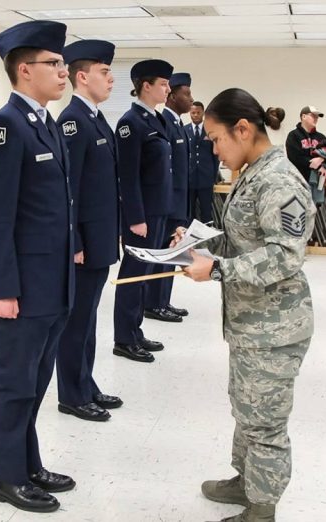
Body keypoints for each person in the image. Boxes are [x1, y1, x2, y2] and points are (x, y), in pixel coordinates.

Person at [180, 88, 313, 522]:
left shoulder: (278, 180)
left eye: (217, 139)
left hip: (274, 325)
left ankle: (262, 507)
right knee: (247, 406)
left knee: (266, 420)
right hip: (250, 318)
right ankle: (246, 479)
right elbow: (244, 235)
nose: (215, 150)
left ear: (243, 129)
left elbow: (284, 255)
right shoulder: (254, 171)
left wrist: (216, 269)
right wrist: (197, 242)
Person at [0, 20, 76, 513]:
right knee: (15, 380)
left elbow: (55, 204)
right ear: (24, 70)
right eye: (54, 64)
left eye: (62, 64)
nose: (64, 72)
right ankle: (6, 475)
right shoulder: (5, 126)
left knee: (37, 379)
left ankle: (28, 461)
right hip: (22, 285)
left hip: (52, 280)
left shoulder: (44, 122)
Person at [53, 39, 123, 423]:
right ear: (83, 77)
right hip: (83, 243)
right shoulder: (73, 121)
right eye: (104, 72)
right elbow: (70, 188)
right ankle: (71, 394)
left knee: (90, 317)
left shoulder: (96, 117)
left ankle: (87, 383)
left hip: (99, 237)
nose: (111, 79)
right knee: (77, 320)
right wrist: (75, 240)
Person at [111, 59, 174, 363]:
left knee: (145, 274)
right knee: (133, 276)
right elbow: (127, 175)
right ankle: (123, 338)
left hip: (158, 211)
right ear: (145, 86)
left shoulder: (157, 119)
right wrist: (135, 218)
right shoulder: (130, 123)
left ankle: (135, 332)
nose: (168, 89)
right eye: (163, 83)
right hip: (142, 216)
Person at [145, 71, 194, 324]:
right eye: (186, 94)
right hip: (168, 202)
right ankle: (154, 303)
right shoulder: (163, 121)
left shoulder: (178, 125)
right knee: (164, 254)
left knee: (173, 254)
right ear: (172, 96)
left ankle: (163, 301)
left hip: (179, 202)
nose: (191, 99)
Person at [186, 101, 220, 224]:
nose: (195, 115)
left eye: (198, 113)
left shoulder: (209, 130)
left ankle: (209, 239)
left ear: (203, 113)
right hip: (189, 179)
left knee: (206, 211)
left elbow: (215, 156)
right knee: (189, 212)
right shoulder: (184, 130)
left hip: (206, 178)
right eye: (193, 112)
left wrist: (213, 176)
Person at [284, 105, 326, 186]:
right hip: (297, 181)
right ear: (304, 116)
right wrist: (317, 166)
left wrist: (321, 158)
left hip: (316, 182)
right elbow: (295, 157)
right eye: (313, 115)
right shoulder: (293, 135)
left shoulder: (321, 137)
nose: (316, 118)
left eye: (317, 117)